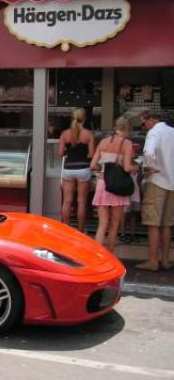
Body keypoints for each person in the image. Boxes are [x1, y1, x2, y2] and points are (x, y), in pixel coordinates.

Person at [90, 116, 138, 253]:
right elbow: (128, 167)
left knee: (102, 224)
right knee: (114, 224)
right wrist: (137, 168)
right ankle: (110, 255)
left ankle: (97, 255)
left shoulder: (103, 142)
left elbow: (93, 165)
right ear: (126, 129)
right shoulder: (127, 144)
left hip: (102, 184)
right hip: (118, 186)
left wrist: (103, 170)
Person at [136, 110, 174, 271]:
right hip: (172, 183)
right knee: (167, 224)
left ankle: (153, 261)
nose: (143, 127)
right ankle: (165, 260)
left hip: (157, 181)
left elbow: (149, 153)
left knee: (153, 223)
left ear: (151, 119)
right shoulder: (172, 132)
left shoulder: (154, 132)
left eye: (143, 123)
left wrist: (148, 167)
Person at [58, 108, 95, 232]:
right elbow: (91, 154)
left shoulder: (64, 134)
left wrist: (68, 151)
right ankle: (80, 230)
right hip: (83, 168)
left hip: (68, 168)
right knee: (81, 201)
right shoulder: (88, 134)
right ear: (84, 118)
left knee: (67, 201)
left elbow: (60, 153)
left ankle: (66, 229)